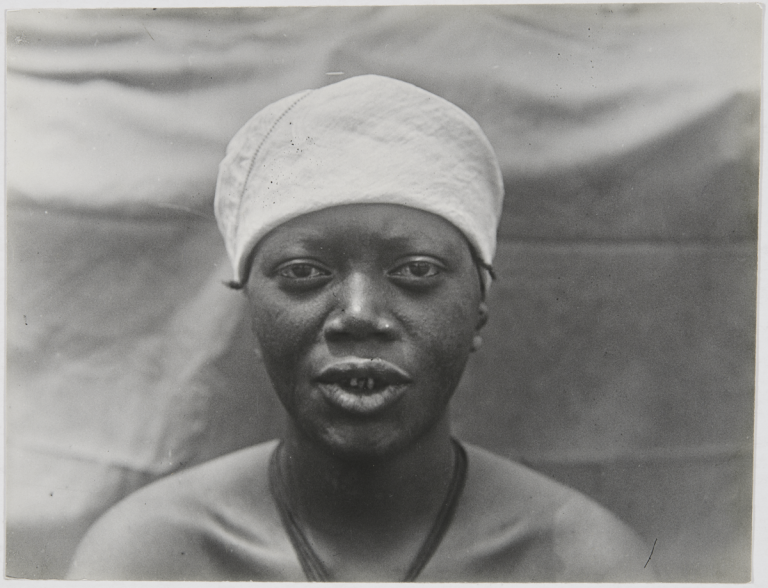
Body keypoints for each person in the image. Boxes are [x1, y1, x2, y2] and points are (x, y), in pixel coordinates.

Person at [67, 75, 654, 582]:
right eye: (303, 272)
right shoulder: (147, 558)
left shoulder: (586, 565)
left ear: (479, 308)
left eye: (416, 271)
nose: (359, 316)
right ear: (251, 310)